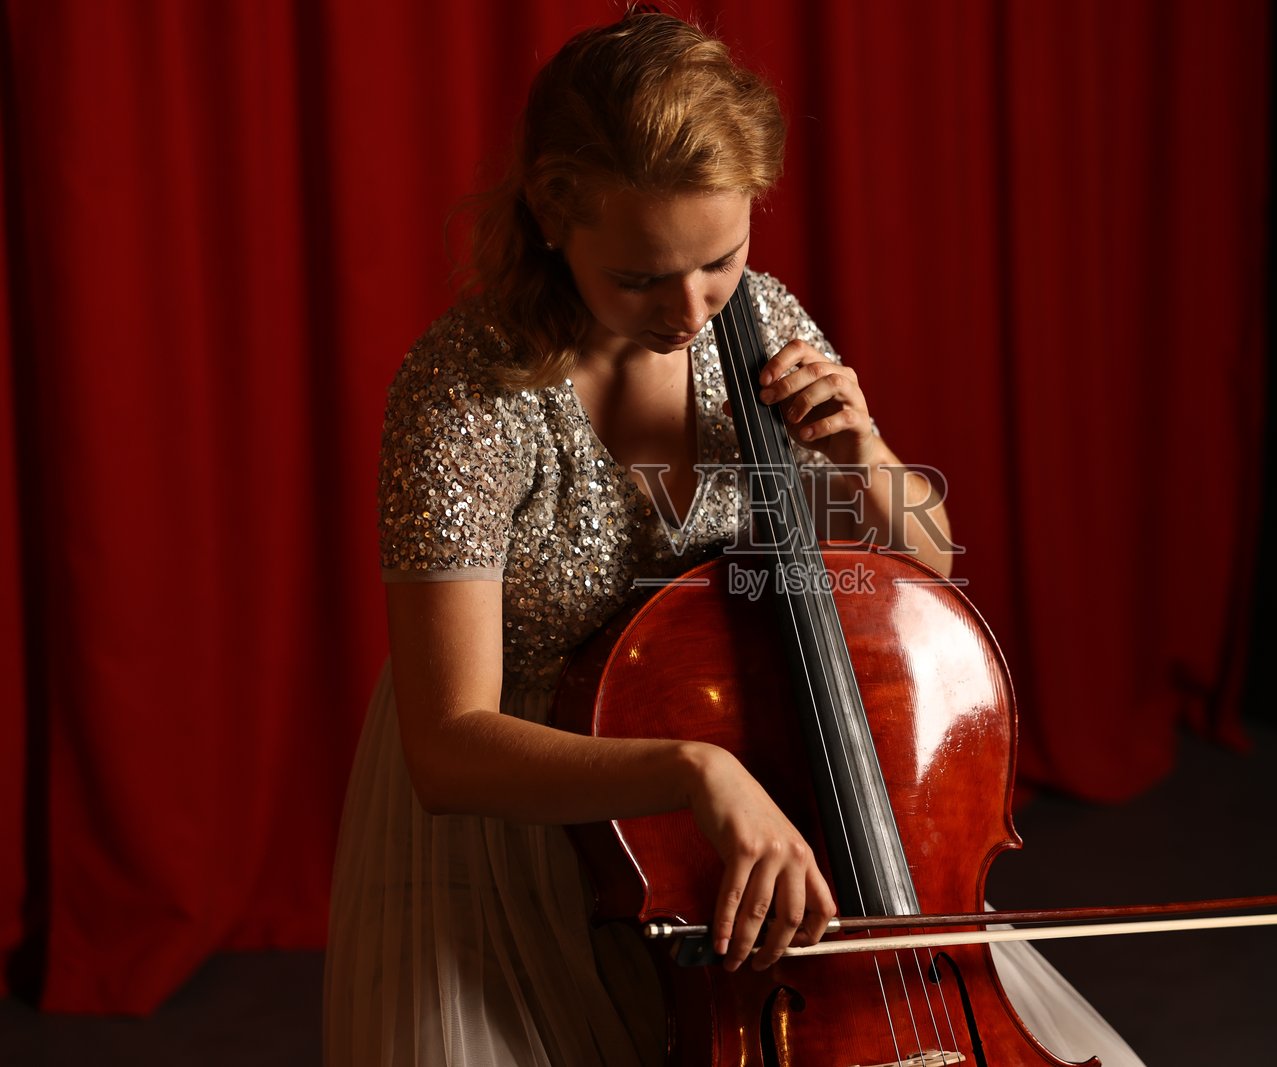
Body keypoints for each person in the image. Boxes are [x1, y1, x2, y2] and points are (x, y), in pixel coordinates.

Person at [323, 10, 1146, 1066]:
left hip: (764, 794)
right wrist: (694, 772)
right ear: (551, 212)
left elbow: (928, 571)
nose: (690, 309)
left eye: (719, 258)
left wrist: (864, 452)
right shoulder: (462, 395)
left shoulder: (759, 319)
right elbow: (447, 748)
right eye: (640, 277)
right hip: (530, 840)